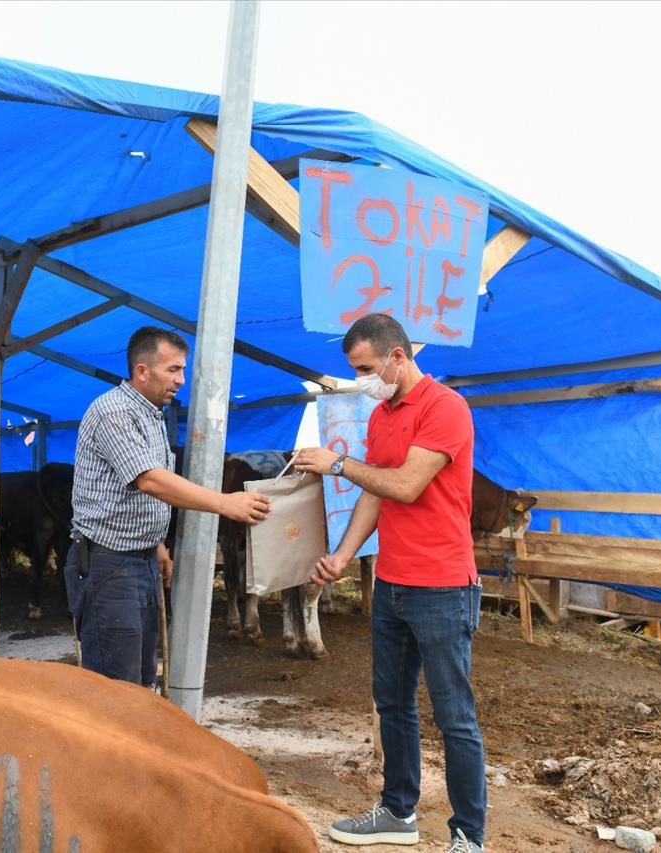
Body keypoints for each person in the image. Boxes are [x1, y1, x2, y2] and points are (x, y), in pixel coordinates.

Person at [294, 313, 486, 853]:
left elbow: (404, 484)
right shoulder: (380, 415)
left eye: (366, 368)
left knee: (454, 715)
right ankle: (399, 812)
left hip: (444, 585)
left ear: (397, 357)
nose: (362, 379)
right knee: (392, 703)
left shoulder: (445, 407)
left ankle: (470, 835)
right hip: (394, 582)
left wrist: (337, 464)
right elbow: (374, 495)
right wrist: (341, 556)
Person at [66, 326, 269, 686]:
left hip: (138, 560)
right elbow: (150, 480)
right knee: (116, 687)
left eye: (183, 370)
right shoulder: (113, 411)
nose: (181, 379)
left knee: (142, 678)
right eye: (173, 370)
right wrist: (225, 503)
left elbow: (137, 489)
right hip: (108, 565)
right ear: (142, 371)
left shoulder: (153, 414)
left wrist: (156, 544)